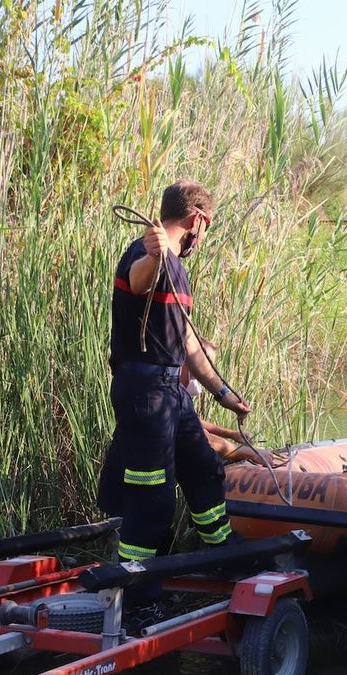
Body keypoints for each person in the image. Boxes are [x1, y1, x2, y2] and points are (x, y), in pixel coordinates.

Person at [97, 179, 250, 631]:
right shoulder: (146, 256)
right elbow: (139, 282)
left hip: (171, 393)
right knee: (152, 500)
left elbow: (187, 345)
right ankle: (136, 597)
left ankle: (221, 553)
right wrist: (153, 254)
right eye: (209, 227)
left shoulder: (179, 271)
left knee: (203, 469)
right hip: (144, 392)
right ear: (198, 220)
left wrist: (226, 395)